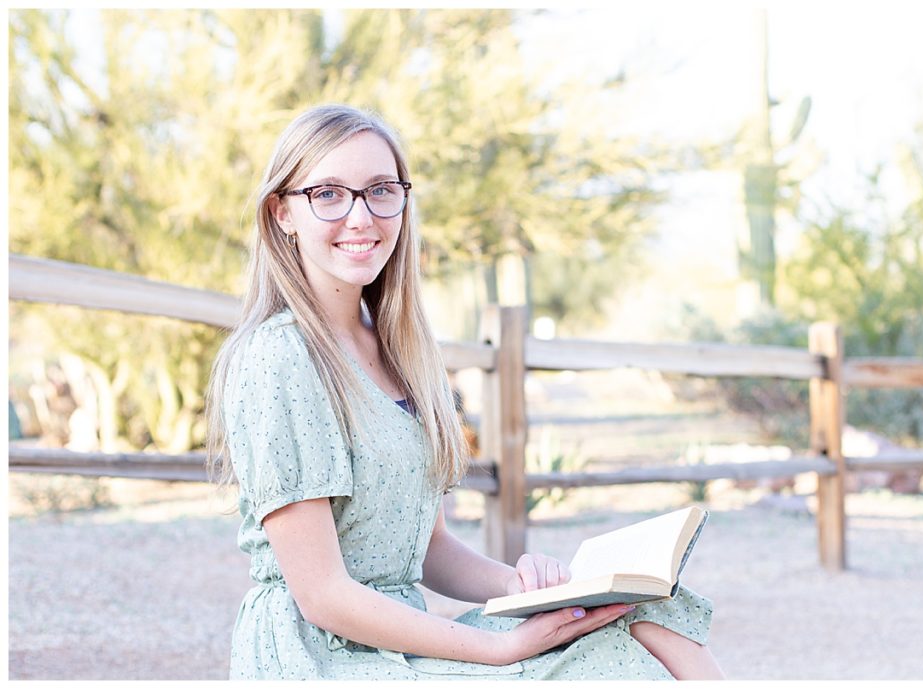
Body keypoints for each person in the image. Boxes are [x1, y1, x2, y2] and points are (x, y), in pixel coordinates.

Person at [205, 103, 725, 680]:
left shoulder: (403, 354)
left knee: (642, 612)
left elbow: (425, 550)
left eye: (380, 190)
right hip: (318, 654)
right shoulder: (279, 356)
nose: (360, 216)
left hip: (401, 635)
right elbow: (323, 595)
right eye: (328, 193)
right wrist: (502, 648)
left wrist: (523, 587)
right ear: (282, 213)